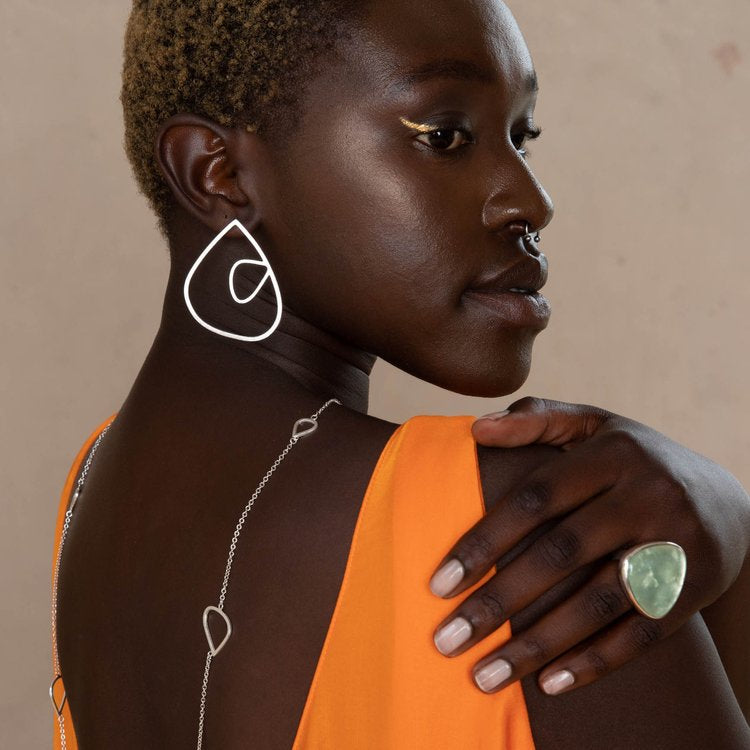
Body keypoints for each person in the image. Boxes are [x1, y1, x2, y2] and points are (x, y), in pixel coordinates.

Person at [51, 1, 750, 748]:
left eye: (523, 137)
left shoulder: (91, 482)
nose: (530, 202)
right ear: (217, 173)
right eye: (446, 136)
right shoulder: (530, 526)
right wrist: (735, 534)